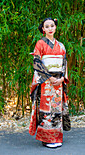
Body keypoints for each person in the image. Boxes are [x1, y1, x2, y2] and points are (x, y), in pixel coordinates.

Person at [29, 17, 70, 148]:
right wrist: (48, 77)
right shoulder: (40, 44)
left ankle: (56, 137)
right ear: (43, 29)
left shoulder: (61, 45)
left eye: (52, 26)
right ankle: (46, 139)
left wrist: (62, 78)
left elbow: (64, 63)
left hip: (58, 81)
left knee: (56, 109)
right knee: (46, 110)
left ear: (55, 27)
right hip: (46, 81)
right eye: (47, 26)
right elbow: (37, 62)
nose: (50, 29)